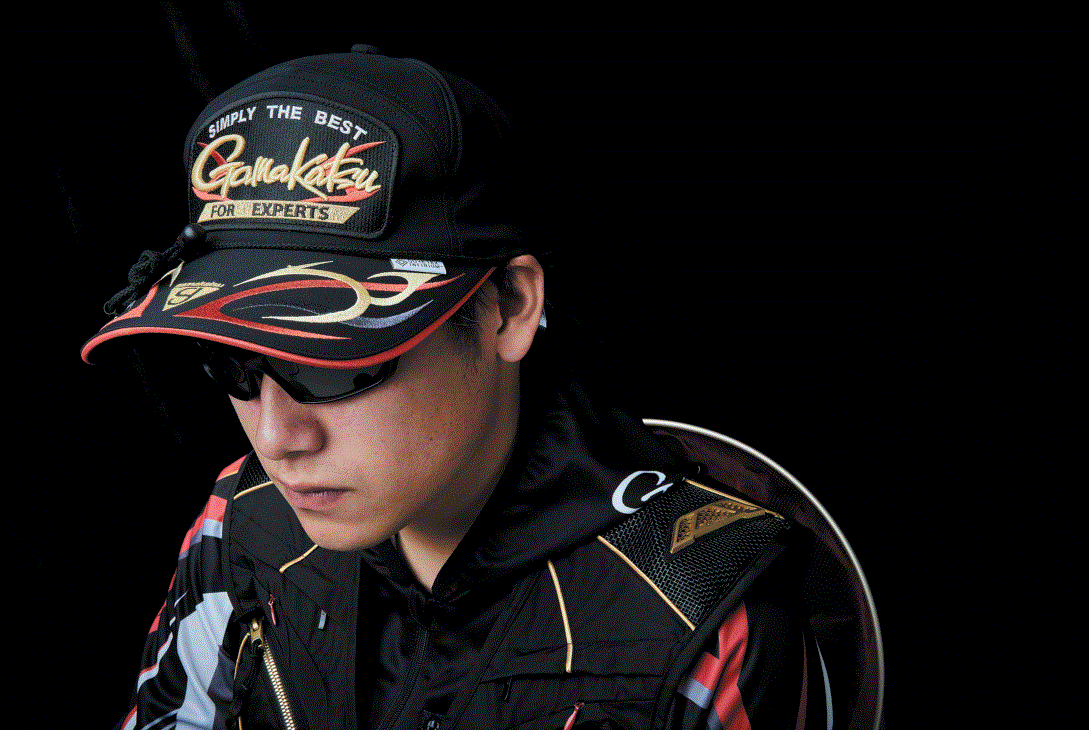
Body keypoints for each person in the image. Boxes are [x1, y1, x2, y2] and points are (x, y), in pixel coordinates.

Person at [85, 45, 879, 730]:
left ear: (510, 307)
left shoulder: (706, 619)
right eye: (233, 364)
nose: (275, 437)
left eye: (331, 363)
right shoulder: (241, 520)